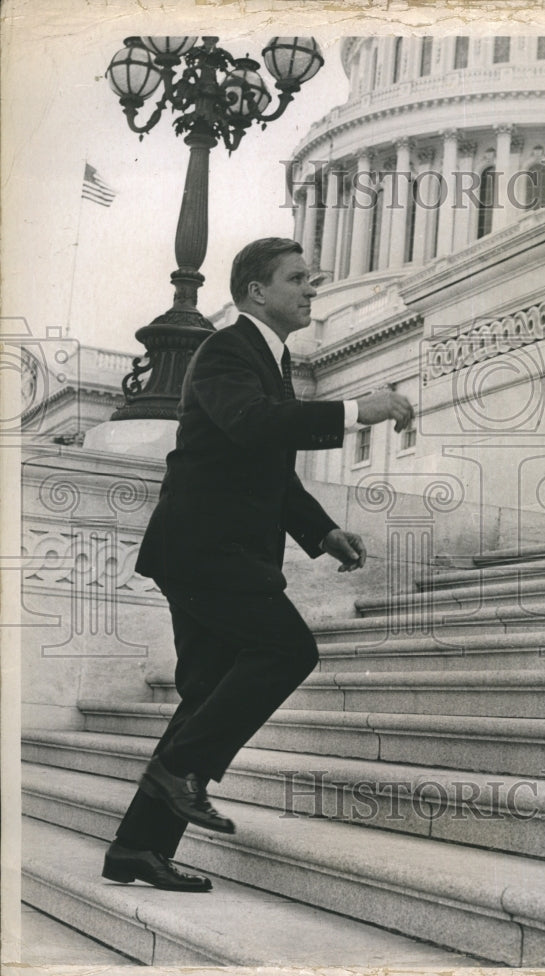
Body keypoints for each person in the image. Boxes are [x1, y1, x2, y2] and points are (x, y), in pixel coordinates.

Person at [101, 237, 414, 891]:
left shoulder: (269, 362)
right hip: (205, 552)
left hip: (212, 552)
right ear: (256, 292)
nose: (311, 289)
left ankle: (137, 848)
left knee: (205, 695)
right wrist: (360, 411)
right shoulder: (224, 352)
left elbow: (265, 460)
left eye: (311, 279)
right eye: (297, 278)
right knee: (286, 650)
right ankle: (181, 771)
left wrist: (322, 530)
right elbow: (254, 426)